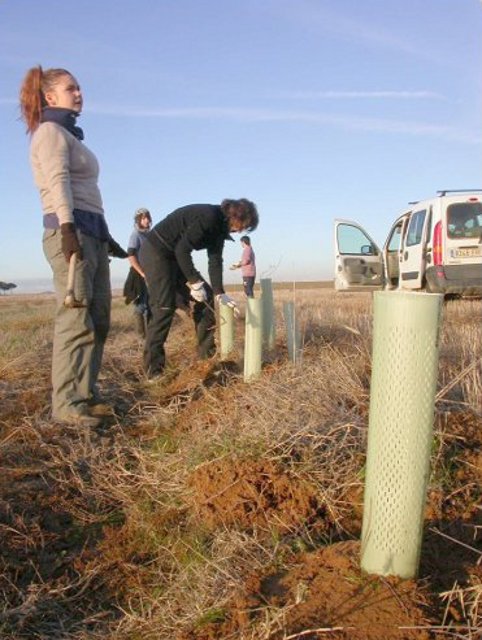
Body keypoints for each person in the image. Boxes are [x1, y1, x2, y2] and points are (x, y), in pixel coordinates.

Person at [19, 66, 127, 427]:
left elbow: (89, 193)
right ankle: (66, 406)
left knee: (98, 320)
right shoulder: (50, 132)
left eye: (79, 87)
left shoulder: (73, 136)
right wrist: (67, 229)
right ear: (50, 97)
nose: (79, 93)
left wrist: (105, 233)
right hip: (71, 235)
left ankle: (86, 394)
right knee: (75, 319)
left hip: (91, 233)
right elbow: (58, 182)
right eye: (71, 88)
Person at [139, 198, 259, 379]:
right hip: (156, 252)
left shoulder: (220, 229)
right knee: (164, 308)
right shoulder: (209, 217)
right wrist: (194, 281)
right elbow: (182, 249)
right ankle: (153, 372)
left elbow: (215, 260)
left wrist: (220, 293)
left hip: (173, 256)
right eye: (243, 225)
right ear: (235, 216)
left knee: (208, 297)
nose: (241, 230)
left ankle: (206, 357)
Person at [124, 207, 152, 337]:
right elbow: (131, 256)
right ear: (138, 220)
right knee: (140, 307)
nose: (146, 220)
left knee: (151, 305)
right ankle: (142, 337)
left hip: (151, 273)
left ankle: (152, 334)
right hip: (139, 274)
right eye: (143, 218)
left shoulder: (150, 234)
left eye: (147, 217)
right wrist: (142, 273)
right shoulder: (135, 235)